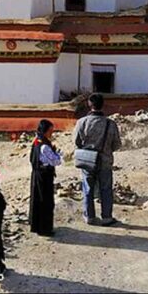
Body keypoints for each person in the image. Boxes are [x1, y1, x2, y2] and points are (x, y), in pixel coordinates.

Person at [73, 92, 121, 226]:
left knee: (88, 188)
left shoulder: (82, 122)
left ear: (89, 105)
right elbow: (117, 144)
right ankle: (106, 217)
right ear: (102, 105)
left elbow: (76, 141)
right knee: (106, 189)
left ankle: (89, 217)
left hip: (87, 160)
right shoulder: (110, 124)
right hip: (105, 161)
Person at [28, 118, 62, 236]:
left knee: (37, 200)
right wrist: (57, 153)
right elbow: (56, 162)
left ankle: (36, 225)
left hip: (37, 175)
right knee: (46, 202)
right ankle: (45, 228)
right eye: (50, 131)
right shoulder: (45, 147)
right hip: (44, 177)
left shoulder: (36, 141)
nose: (51, 134)